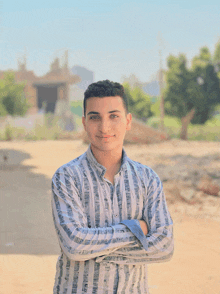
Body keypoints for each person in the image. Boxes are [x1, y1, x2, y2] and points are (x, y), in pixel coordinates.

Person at [51, 80, 174, 294]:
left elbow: (164, 247)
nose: (104, 127)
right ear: (84, 122)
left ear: (128, 121)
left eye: (113, 116)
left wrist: (99, 252)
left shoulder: (148, 179)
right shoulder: (66, 177)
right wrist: (136, 229)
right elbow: (75, 245)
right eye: (95, 117)